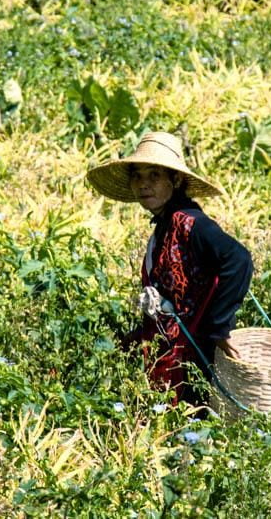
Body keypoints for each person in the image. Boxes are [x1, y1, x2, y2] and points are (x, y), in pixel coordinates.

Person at [86, 131, 253, 406]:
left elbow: (239, 260)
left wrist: (219, 328)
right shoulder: (167, 224)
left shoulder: (191, 223)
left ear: (174, 180)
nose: (144, 185)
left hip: (197, 351)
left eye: (154, 175)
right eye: (138, 176)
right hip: (177, 351)